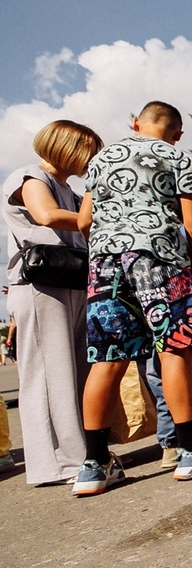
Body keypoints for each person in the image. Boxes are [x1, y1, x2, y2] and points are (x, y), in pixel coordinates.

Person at [78, 101, 192, 495]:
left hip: (105, 264)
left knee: (107, 361)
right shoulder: (178, 157)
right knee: (175, 350)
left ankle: (94, 465)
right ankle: (191, 451)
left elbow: (85, 221)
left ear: (135, 123)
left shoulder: (103, 160)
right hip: (159, 259)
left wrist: (110, 247)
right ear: (178, 133)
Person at [2, 120, 101, 486]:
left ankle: (78, 454)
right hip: (41, 283)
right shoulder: (30, 176)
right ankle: (60, 463)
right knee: (49, 372)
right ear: (68, 147)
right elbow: (45, 215)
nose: (92, 158)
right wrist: (100, 218)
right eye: (87, 150)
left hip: (69, 280)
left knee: (73, 370)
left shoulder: (69, 190)